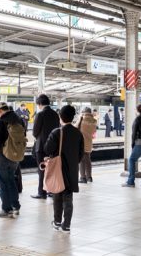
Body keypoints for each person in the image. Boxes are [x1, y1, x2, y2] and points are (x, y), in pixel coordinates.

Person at [45, 105, 84, 233]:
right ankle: (66, 225)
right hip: (72, 170)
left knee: (58, 195)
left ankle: (57, 222)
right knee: (68, 197)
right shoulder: (78, 133)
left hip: (59, 170)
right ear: (73, 117)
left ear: (60, 117)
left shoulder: (57, 132)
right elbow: (80, 154)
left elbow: (47, 149)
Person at [0, 101, 25, 218]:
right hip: (15, 156)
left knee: (3, 183)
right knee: (11, 181)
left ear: (0, 111)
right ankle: (15, 206)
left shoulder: (1, 122)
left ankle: (6, 209)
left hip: (3, 155)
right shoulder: (19, 120)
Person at [32, 94, 60, 199]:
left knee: (42, 169)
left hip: (41, 147)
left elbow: (35, 132)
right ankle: (51, 191)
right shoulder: (55, 114)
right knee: (52, 169)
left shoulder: (40, 114)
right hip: (53, 146)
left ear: (39, 104)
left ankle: (42, 192)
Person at [76, 107, 97, 183]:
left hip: (81, 142)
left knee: (81, 160)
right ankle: (89, 177)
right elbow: (94, 131)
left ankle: (82, 177)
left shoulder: (82, 119)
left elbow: (75, 127)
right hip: (89, 142)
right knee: (88, 159)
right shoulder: (94, 121)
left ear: (83, 112)